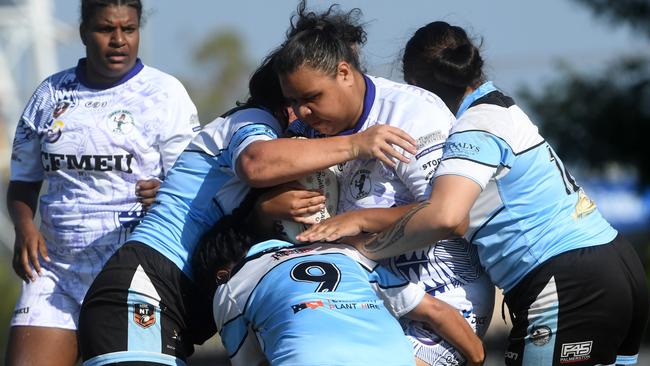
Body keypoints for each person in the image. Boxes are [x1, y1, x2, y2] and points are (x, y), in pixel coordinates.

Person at [303, 21, 650, 366]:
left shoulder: (477, 126)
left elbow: (446, 217)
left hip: (567, 280)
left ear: (418, 87)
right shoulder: (502, 109)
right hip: (616, 264)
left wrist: (359, 239)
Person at [77, 46, 417, 364]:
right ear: (283, 103)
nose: (306, 114)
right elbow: (255, 163)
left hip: (177, 303)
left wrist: (264, 213)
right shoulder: (251, 120)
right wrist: (357, 144)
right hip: (148, 285)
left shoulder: (279, 152)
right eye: (297, 102)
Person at [272, 3, 494, 365]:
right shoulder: (306, 131)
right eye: (294, 101)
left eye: (311, 98)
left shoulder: (411, 114)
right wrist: (270, 205)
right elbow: (259, 169)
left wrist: (360, 221)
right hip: (367, 294)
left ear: (344, 73)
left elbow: (450, 218)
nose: (303, 112)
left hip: (443, 298)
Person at [4, 1, 201, 365]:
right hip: (54, 273)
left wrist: (165, 193)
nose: (118, 40)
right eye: (105, 29)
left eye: (128, 29)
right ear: (83, 32)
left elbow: (194, 186)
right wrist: (24, 226)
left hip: (131, 272)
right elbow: (22, 181)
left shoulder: (165, 93)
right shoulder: (49, 94)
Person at [192, 190, 485, 366]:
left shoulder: (230, 288)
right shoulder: (345, 256)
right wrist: (475, 359)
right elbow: (436, 311)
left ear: (220, 275)